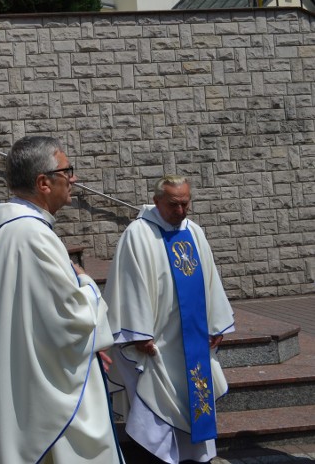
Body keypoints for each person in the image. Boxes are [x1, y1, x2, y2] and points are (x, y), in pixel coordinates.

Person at [0, 136, 120, 464]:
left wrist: (84, 344)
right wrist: (85, 282)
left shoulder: (6, 231)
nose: (74, 179)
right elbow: (73, 317)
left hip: (23, 366)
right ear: (43, 182)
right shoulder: (32, 236)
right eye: (67, 171)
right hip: (38, 388)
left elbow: (36, 315)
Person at [103, 175, 235, 464]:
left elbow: (210, 280)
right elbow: (129, 284)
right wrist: (138, 332)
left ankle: (195, 457)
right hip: (158, 342)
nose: (181, 211)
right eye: (174, 205)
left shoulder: (194, 232)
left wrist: (216, 324)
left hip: (193, 340)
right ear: (156, 201)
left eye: (185, 204)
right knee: (159, 404)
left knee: (195, 399)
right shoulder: (138, 234)